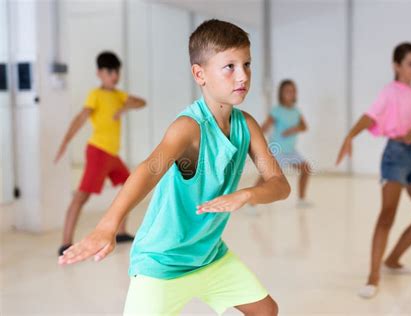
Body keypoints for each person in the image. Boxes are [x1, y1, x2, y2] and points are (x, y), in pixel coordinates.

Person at [59, 19, 290, 315]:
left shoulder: (247, 126)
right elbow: (148, 169)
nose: (242, 75)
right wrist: (108, 225)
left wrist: (247, 195)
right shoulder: (189, 127)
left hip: (208, 255)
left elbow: (280, 184)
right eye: (229, 66)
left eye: (247, 64)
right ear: (199, 74)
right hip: (161, 264)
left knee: (266, 310)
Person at [336, 42, 411, 299]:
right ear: (397, 66)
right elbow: (370, 116)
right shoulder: (390, 91)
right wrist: (350, 135)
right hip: (394, 157)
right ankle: (373, 276)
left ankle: (393, 259)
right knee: (387, 215)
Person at [54, 51, 146, 255]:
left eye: (117, 71)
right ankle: (65, 242)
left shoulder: (118, 95)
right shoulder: (95, 95)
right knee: (81, 197)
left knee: (129, 185)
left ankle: (121, 232)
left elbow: (141, 102)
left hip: (112, 155)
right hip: (98, 152)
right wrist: (65, 142)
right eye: (109, 71)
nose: (114, 76)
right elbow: (80, 118)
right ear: (99, 73)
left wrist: (125, 107)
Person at [256, 79, 312, 208]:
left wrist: (294, 129)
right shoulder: (277, 110)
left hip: (291, 151)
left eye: (293, 91)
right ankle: (251, 204)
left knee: (306, 169)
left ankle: (301, 200)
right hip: (278, 151)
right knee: (266, 177)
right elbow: (264, 127)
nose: (291, 93)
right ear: (281, 94)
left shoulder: (296, 111)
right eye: (287, 91)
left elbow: (304, 126)